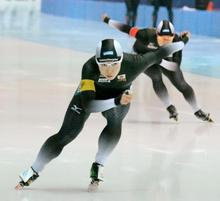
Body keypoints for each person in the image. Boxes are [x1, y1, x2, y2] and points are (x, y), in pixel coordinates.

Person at [15, 39, 184, 191]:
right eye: (104, 65)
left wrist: (182, 42)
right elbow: (88, 105)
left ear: (121, 60)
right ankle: (33, 170)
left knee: (115, 122)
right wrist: (116, 101)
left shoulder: (135, 63)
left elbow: (160, 52)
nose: (109, 70)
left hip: (120, 95)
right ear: (97, 62)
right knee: (66, 134)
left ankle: (99, 164)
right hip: (93, 95)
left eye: (113, 64)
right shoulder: (89, 67)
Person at [102, 15, 213, 122]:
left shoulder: (177, 41)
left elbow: (175, 66)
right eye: (162, 38)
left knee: (181, 84)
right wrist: (108, 20)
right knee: (156, 77)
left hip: (162, 58)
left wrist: (160, 61)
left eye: (169, 38)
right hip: (143, 55)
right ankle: (169, 106)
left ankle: (197, 110)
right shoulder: (145, 34)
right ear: (156, 34)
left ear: (174, 36)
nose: (165, 40)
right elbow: (126, 28)